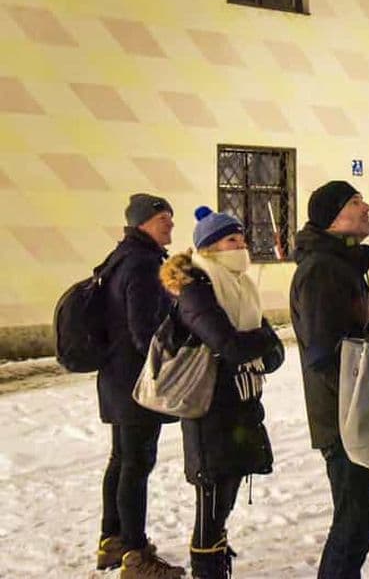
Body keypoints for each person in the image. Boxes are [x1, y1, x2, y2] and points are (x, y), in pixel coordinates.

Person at [159, 207, 285, 578]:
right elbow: (230, 345)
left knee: (227, 489)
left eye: (243, 238)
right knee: (212, 493)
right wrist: (260, 341)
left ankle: (214, 554)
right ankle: (207, 565)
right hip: (209, 407)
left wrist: (258, 343)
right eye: (233, 239)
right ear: (210, 246)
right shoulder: (197, 288)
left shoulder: (240, 285)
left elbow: (272, 353)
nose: (241, 245)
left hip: (242, 402)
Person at [289, 181, 369, 578]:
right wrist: (361, 398)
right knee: (351, 525)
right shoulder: (322, 270)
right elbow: (326, 353)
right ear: (333, 218)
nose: (367, 207)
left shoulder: (339, 264)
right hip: (344, 416)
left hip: (350, 410)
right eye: (356, 202)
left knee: (355, 524)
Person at [96, 193, 185, 577]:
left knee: (121, 459)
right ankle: (135, 555)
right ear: (144, 223)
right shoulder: (144, 264)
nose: (170, 224)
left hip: (115, 377)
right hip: (136, 382)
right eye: (164, 218)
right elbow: (145, 331)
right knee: (136, 462)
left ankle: (111, 540)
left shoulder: (119, 258)